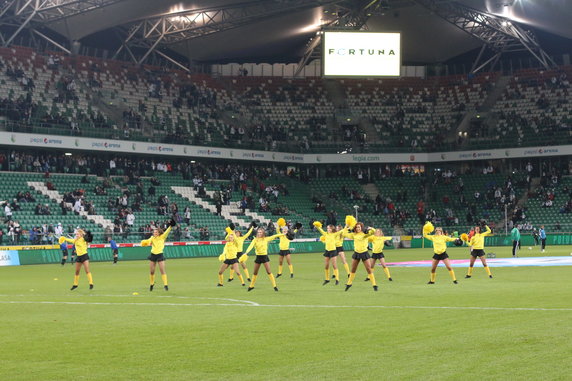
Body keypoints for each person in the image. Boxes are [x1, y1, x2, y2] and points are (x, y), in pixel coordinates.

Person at [141, 219, 175, 291]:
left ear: (159, 233)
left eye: (156, 232)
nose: (155, 233)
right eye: (154, 232)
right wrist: (144, 243)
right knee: (152, 271)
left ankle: (165, 285)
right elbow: (148, 241)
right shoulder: (152, 238)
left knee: (162, 270)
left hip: (160, 255)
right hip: (153, 255)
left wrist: (170, 226)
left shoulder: (162, 237)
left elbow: (167, 232)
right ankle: (151, 284)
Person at [343, 222, 377, 291]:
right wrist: (346, 226)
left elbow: (373, 231)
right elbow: (344, 234)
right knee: (353, 269)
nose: (358, 228)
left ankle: (374, 285)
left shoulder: (365, 234)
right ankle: (349, 284)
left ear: (361, 228)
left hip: (364, 253)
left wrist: (370, 228)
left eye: (359, 227)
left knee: (369, 269)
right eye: (356, 227)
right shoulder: (353, 235)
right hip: (356, 253)